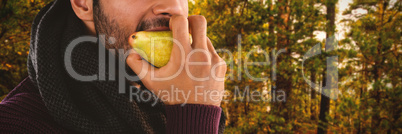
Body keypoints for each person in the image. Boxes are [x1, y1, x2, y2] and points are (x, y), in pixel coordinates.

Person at [0, 0, 227, 133]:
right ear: (83, 4)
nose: (174, 8)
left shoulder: (164, 108)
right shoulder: (15, 124)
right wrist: (194, 116)